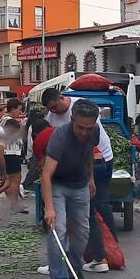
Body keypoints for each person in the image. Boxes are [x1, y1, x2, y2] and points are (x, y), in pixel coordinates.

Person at [41, 89, 118, 267]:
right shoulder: (53, 121)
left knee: (90, 214)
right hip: (71, 169)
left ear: (62, 98)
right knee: (74, 218)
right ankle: (70, 261)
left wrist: (90, 177)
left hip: (98, 163)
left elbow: (90, 148)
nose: (53, 111)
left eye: (55, 107)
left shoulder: (83, 109)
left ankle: (99, 257)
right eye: (50, 109)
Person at [41, 99, 100, 279]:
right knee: (58, 230)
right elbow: (46, 175)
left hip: (80, 184)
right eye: (80, 127)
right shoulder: (60, 137)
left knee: (83, 231)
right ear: (72, 119)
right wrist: (49, 208)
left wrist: (90, 177)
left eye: (89, 128)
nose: (84, 132)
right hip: (57, 184)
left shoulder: (94, 132)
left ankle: (74, 268)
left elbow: (89, 153)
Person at [0, 98, 27, 214]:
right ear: (12, 109)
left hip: (9, 152)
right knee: (15, 179)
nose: (20, 113)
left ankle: (12, 203)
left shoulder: (4, 119)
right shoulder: (8, 120)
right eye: (19, 110)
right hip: (11, 152)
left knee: (8, 180)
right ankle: (14, 204)